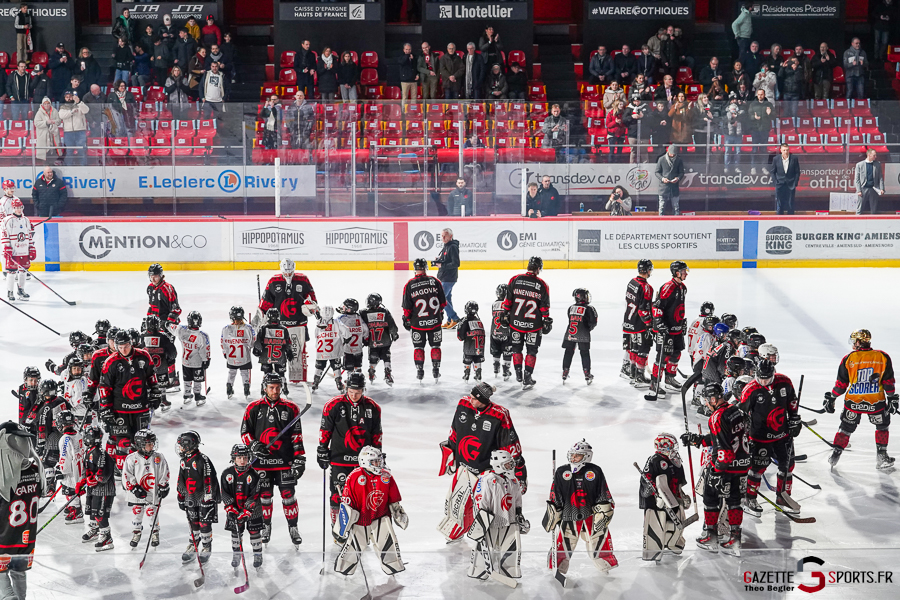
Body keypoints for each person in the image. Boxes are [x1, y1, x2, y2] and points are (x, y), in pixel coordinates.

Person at [438, 383, 526, 541]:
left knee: (486, 508)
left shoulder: (500, 415)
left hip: (486, 471)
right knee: (456, 505)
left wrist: (519, 472)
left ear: (484, 400)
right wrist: (450, 453)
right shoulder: (463, 404)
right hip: (463, 467)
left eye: (474, 398)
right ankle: (457, 532)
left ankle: (489, 536)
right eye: (470, 396)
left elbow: (510, 446)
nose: (470, 400)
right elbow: (455, 430)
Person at [680, 383, 748, 556]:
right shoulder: (736, 411)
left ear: (712, 398)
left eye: (706, 400)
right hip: (742, 464)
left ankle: (710, 536)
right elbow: (723, 437)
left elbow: (724, 449)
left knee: (710, 497)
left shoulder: (717, 417)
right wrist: (698, 440)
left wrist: (718, 471)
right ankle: (735, 539)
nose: (705, 403)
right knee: (734, 500)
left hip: (726, 465)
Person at [240, 372, 305, 545]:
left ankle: (293, 527)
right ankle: (266, 526)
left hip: (284, 462)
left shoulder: (291, 408)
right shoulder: (253, 408)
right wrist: (253, 445)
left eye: (277, 387)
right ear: (264, 388)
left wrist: (300, 458)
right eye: (271, 387)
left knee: (288, 495)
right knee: (265, 497)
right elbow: (245, 433)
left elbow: (296, 436)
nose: (275, 391)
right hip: (262, 463)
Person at [824, 329, 897, 469]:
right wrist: (892, 398)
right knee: (882, 427)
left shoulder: (849, 358)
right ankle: (882, 456)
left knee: (845, 428)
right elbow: (888, 383)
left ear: (858, 342)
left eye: (854, 341)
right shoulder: (882, 356)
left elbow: (841, 385)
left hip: (853, 402)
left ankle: (835, 455)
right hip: (876, 403)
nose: (852, 344)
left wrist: (832, 397)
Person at [543, 440, 617, 577]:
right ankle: (557, 566)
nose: (573, 458)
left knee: (598, 539)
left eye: (577, 455)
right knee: (565, 542)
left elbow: (603, 492)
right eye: (572, 455)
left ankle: (605, 565)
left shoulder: (595, 471)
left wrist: (604, 510)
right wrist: (554, 510)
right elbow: (555, 494)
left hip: (591, 514)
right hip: (569, 514)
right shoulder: (561, 471)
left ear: (587, 456)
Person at [317, 371, 382, 526]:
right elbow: (325, 430)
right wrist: (322, 449)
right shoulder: (333, 405)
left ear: (363, 390)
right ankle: (337, 527)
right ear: (346, 387)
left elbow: (376, 434)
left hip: (364, 462)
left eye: (358, 392)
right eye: (351, 392)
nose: (354, 396)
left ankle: (361, 526)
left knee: (362, 495)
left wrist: (378, 454)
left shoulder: (373, 407)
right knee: (336, 495)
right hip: (339, 458)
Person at [333, 446, 407, 576]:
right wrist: (344, 523)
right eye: (374, 462)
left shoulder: (386, 476)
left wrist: (397, 511)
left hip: (381, 517)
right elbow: (347, 503)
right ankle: (344, 566)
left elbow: (393, 498)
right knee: (354, 547)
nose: (378, 464)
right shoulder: (354, 476)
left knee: (388, 544)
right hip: (360, 519)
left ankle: (392, 566)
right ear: (364, 461)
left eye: (379, 461)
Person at [738, 361, 800, 516]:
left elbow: (792, 403)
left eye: (768, 378)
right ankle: (749, 498)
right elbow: (741, 415)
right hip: (760, 437)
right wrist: (744, 437)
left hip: (783, 435)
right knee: (757, 468)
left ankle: (783, 498)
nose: (764, 382)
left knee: (787, 466)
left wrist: (794, 420)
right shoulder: (750, 390)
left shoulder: (785, 382)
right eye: (761, 378)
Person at [98, 329, 162, 474]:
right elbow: (104, 388)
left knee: (142, 441)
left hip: (141, 409)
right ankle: (122, 472)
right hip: (120, 410)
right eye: (120, 347)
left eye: (126, 346)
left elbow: (152, 377)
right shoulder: (111, 362)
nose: (123, 350)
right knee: (123, 442)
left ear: (131, 343)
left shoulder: (144, 356)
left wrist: (156, 394)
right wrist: (105, 409)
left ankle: (142, 470)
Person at [467, 449, 528, 583]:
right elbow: (482, 501)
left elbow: (517, 499)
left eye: (511, 464)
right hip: (491, 521)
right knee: (485, 547)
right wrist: (481, 521)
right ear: (498, 465)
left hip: (510, 520)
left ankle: (509, 570)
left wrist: (519, 514)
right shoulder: (488, 480)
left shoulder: (514, 481)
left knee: (512, 547)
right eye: (507, 465)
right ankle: (479, 569)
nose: (511, 467)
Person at [253, 258, 317, 383]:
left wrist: (311, 306)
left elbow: (312, 299)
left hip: (299, 323)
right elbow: (265, 302)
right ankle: (273, 378)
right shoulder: (273, 281)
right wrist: (259, 317)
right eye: (285, 272)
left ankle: (298, 378)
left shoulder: (303, 280)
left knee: (297, 353)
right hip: (277, 325)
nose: (288, 274)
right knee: (274, 352)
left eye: (290, 271)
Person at [639, 433, 690, 562]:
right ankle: (653, 550)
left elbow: (677, 482)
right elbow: (646, 480)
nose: (674, 448)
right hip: (656, 501)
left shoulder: (676, 460)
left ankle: (672, 543)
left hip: (672, 499)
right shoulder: (655, 460)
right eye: (670, 445)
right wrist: (655, 496)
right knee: (656, 523)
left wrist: (682, 495)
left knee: (676, 521)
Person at [502, 256, 551, 388]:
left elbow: (508, 302)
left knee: (516, 348)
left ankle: (518, 373)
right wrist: (546, 320)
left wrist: (504, 314)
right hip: (533, 325)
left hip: (516, 323)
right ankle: (527, 376)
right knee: (532, 351)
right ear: (539, 268)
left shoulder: (515, 279)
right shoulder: (542, 285)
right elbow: (544, 308)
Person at [175, 430, 219, 564]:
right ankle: (193, 545)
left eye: (182, 445)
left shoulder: (203, 460)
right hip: (191, 497)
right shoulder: (184, 460)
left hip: (204, 498)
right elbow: (181, 479)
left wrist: (208, 499)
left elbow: (210, 480)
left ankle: (206, 547)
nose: (180, 448)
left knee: (204, 524)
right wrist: (181, 496)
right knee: (193, 523)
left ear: (189, 445)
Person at [648, 260, 689, 397]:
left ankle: (669, 378)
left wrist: (681, 322)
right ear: (676, 273)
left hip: (676, 329)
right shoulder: (668, 287)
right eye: (683, 271)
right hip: (665, 330)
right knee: (662, 357)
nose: (686, 274)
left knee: (676, 353)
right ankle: (654, 384)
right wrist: (659, 323)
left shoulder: (683, 288)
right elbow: (657, 306)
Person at [401, 258, 446, 381]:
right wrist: (439, 313)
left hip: (417, 324)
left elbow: (407, 307)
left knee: (418, 348)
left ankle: (420, 371)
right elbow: (443, 303)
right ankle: (436, 370)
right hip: (435, 322)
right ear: (426, 268)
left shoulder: (409, 284)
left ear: (415, 269)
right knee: (435, 346)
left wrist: (407, 318)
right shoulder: (435, 281)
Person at [123, 429, 169, 549]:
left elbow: (165, 471)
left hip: (152, 491)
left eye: (153, 443)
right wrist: (134, 488)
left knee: (152, 512)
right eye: (149, 444)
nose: (152, 446)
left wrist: (164, 485)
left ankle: (155, 532)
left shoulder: (158, 457)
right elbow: (126, 475)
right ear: (141, 445)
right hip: (137, 493)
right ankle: (136, 532)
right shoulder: (131, 458)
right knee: (137, 512)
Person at [221, 444, 264, 570]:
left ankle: (257, 554)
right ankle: (236, 554)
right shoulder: (227, 473)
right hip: (235, 509)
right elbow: (224, 492)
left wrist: (246, 510)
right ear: (233, 458)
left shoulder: (254, 475)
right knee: (235, 532)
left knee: (255, 532)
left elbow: (254, 495)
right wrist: (230, 508)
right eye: (239, 457)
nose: (242, 460)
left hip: (253, 510)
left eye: (245, 457)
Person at [166, 311, 211, 406]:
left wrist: (168, 324)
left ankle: (187, 395)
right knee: (197, 379)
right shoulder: (203, 335)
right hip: (197, 362)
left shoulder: (181, 330)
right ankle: (197, 395)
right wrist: (206, 360)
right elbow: (204, 350)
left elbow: (171, 327)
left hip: (185, 361)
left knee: (187, 379)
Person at [622, 259, 654, 386]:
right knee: (643, 348)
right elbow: (643, 310)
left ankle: (633, 373)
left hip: (628, 321)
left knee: (634, 348)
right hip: (639, 323)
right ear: (647, 270)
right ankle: (640, 376)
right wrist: (649, 323)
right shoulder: (646, 288)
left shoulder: (632, 282)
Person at [360, 293, 399, 385]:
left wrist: (362, 338)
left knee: (373, 357)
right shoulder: (384, 311)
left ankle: (372, 370)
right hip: (385, 340)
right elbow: (392, 326)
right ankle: (387, 371)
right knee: (386, 357)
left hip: (372, 341)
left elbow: (360, 326)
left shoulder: (363, 313)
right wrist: (394, 334)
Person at [561, 288, 598, 384]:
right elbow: (593, 322)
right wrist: (587, 329)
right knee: (584, 353)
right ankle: (587, 373)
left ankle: (565, 371)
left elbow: (570, 319)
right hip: (583, 332)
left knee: (568, 352)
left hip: (570, 332)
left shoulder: (571, 308)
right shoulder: (589, 308)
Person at [1, 198, 34, 302]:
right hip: (13, 251)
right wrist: (7, 248)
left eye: (20, 207)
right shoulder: (7, 220)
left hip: (24, 250)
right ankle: (10, 292)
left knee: (23, 271)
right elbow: (4, 235)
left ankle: (21, 290)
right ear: (13, 208)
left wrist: (31, 248)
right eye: (16, 208)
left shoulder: (26, 220)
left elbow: (29, 235)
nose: (19, 210)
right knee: (11, 272)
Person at [431, 229, 461, 329]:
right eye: (442, 236)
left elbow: (456, 263)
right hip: (444, 276)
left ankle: (455, 318)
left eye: (445, 236)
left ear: (451, 236)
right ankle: (450, 320)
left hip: (448, 277)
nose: (443, 238)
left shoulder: (452, 247)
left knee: (441, 298)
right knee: (447, 298)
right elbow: (446, 260)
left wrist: (442, 265)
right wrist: (439, 261)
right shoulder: (446, 246)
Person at [456, 301, 486, 381]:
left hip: (469, 348)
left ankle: (466, 374)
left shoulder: (465, 320)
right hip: (480, 348)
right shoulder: (479, 321)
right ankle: (478, 373)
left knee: (467, 360)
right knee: (477, 359)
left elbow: (460, 337)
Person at [59, 90, 89, 166]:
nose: (69, 98)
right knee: (69, 151)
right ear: (65, 98)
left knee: (81, 150)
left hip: (80, 131)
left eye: (70, 96)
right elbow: (61, 116)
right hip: (68, 132)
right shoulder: (63, 107)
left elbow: (86, 110)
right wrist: (71, 112)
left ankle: (83, 167)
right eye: (67, 97)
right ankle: (69, 167)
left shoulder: (80, 104)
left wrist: (79, 102)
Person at [747, 88, 773, 175]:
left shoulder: (769, 104)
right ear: (756, 95)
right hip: (755, 130)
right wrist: (754, 117)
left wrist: (770, 113)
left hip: (765, 130)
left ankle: (763, 167)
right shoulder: (753, 104)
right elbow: (749, 116)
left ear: (764, 95)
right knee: (754, 150)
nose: (760, 96)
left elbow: (774, 116)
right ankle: (753, 167)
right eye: (758, 94)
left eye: (761, 94)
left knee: (764, 150)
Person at [770, 143, 800, 215]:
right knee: (780, 204)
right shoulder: (776, 159)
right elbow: (772, 172)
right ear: (781, 150)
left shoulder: (794, 159)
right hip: (780, 184)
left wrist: (795, 183)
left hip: (791, 184)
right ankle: (779, 219)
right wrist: (775, 182)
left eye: (787, 150)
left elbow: (797, 172)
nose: (786, 152)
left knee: (790, 204)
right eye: (784, 150)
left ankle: (791, 220)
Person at [655, 145, 684, 216]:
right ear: (668, 152)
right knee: (661, 207)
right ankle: (660, 221)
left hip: (674, 187)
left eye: (674, 154)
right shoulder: (661, 159)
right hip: (663, 187)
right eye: (671, 153)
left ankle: (676, 221)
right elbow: (657, 172)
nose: (672, 155)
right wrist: (662, 179)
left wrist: (677, 178)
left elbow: (681, 172)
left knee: (676, 207)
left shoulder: (679, 160)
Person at [854, 149, 886, 214]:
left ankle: (873, 221)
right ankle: (857, 221)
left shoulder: (877, 164)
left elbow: (880, 177)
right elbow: (857, 179)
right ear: (869, 155)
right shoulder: (859, 165)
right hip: (863, 188)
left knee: (874, 209)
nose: (875, 157)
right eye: (874, 155)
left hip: (873, 188)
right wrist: (858, 190)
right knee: (859, 208)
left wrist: (882, 188)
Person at [34, 97, 61, 164]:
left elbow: (59, 121)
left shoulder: (54, 111)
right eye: (45, 104)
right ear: (42, 104)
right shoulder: (39, 113)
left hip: (53, 135)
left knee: (54, 155)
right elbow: (36, 123)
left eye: (48, 103)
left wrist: (53, 121)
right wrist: (46, 122)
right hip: (44, 136)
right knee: (45, 156)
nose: (46, 105)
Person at [606, 99, 628, 163]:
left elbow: (626, 123)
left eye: (622, 104)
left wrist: (621, 123)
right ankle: (610, 164)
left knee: (619, 151)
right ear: (617, 105)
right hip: (612, 134)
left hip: (621, 134)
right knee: (612, 150)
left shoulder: (624, 113)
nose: (622, 106)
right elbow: (607, 124)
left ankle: (618, 163)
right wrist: (615, 122)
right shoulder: (611, 113)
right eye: (620, 104)